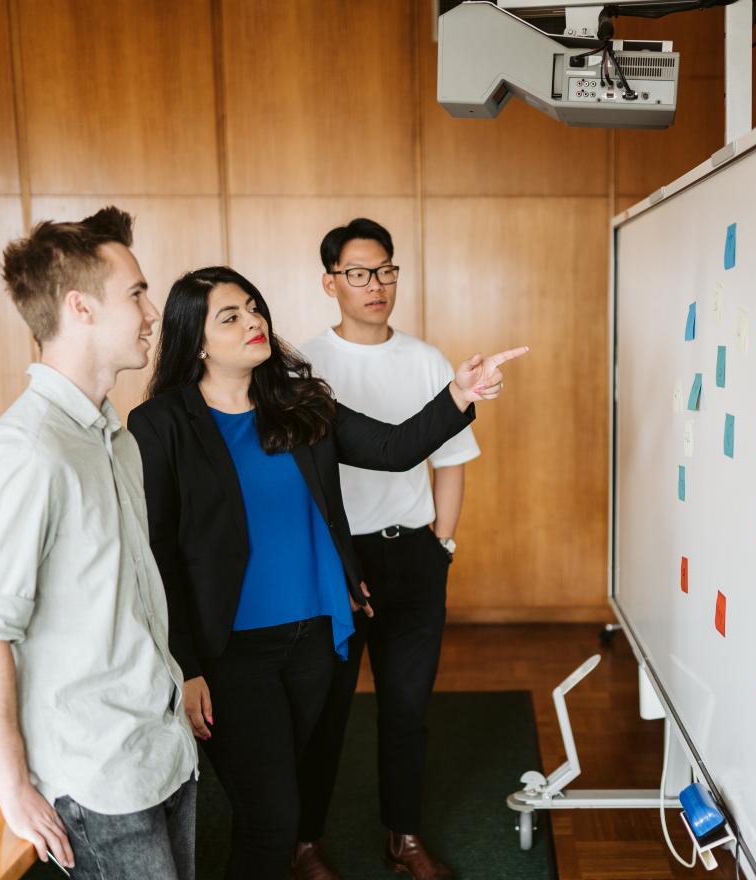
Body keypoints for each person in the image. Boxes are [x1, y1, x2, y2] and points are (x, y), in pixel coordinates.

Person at [127, 265, 526, 880]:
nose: (254, 321)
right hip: (230, 649)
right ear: (196, 338)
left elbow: (394, 449)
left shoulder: (299, 401)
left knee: (288, 791)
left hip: (316, 635)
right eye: (230, 316)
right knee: (273, 817)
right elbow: (158, 552)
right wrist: (187, 666)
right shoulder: (162, 423)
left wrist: (459, 394)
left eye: (254, 308)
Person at [0, 207, 199, 879]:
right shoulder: (31, 451)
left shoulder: (112, 436)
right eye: (138, 293)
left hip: (159, 748)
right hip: (96, 779)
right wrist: (13, 786)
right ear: (81, 307)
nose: (154, 313)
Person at [293, 219, 476, 880]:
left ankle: (403, 838)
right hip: (335, 565)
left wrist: (443, 543)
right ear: (330, 282)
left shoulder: (427, 359)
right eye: (360, 273)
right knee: (324, 712)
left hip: (413, 560)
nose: (377, 286)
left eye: (386, 271)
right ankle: (304, 843)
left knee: (407, 708)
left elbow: (451, 459)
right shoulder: (302, 366)